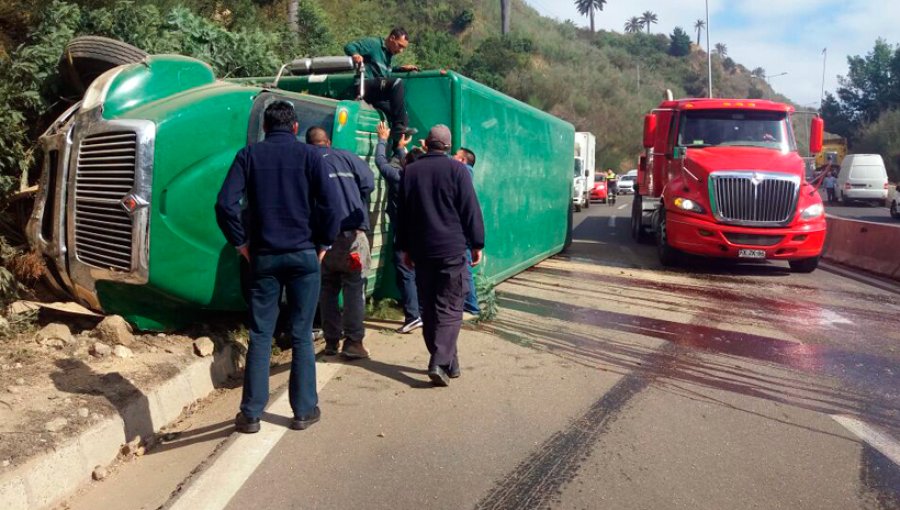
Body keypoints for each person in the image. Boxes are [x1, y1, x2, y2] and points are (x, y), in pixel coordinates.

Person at [216, 101, 340, 434]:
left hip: (264, 257)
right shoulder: (311, 156)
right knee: (301, 335)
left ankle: (251, 414)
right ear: (296, 127)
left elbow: (225, 203)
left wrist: (241, 243)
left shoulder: (248, 156)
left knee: (261, 334)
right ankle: (303, 411)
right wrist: (324, 244)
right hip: (304, 256)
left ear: (266, 128)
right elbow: (332, 205)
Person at [396, 125, 485, 387]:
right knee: (450, 306)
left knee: (430, 307)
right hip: (451, 249)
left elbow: (403, 214)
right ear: (446, 146)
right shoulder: (457, 170)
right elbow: (470, 210)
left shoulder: (410, 172)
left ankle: (450, 364)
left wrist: (405, 248)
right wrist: (477, 243)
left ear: (427, 144)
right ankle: (438, 360)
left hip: (422, 251)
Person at [306, 127, 375, 358]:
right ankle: (354, 342)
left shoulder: (306, 162)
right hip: (352, 238)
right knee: (354, 286)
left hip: (323, 241)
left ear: (309, 144)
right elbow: (368, 183)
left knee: (327, 288)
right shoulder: (346, 156)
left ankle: (331, 342)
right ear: (328, 142)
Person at [374, 121, 424, 333]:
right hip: (423, 231)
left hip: (404, 231)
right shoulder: (422, 175)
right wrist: (401, 148)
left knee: (405, 271)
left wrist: (381, 140)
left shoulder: (399, 177)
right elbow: (409, 162)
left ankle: (413, 315)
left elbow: (380, 162)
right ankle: (422, 310)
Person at [344, 28, 419, 144]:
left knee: (402, 113)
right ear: (392, 38)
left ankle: (397, 145)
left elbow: (384, 72)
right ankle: (399, 127)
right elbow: (349, 46)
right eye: (400, 46)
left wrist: (400, 68)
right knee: (397, 83)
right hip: (365, 86)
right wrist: (355, 54)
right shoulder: (373, 44)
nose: (401, 51)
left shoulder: (389, 56)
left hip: (377, 93)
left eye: (403, 48)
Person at [453, 147, 481, 316]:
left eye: (455, 156)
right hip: (464, 230)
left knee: (465, 269)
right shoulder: (464, 171)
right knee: (464, 268)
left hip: (462, 231)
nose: (451, 157)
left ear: (463, 160)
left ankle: (471, 305)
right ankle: (470, 304)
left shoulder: (465, 172)